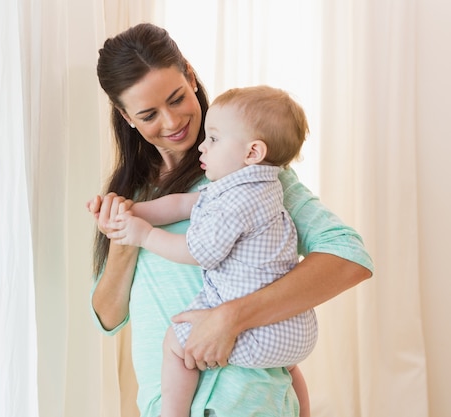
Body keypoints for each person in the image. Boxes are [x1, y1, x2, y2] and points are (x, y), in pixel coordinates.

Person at [88, 22, 373, 417]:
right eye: (149, 113)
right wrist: (124, 236)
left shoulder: (244, 175)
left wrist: (231, 318)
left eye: (176, 98)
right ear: (126, 115)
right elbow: (108, 317)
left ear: (190, 75)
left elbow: (349, 258)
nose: (171, 122)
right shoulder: (132, 197)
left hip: (246, 402)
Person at [105, 85, 317, 417]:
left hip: (261, 329)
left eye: (214, 139)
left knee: (176, 345)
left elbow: (200, 250)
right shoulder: (256, 188)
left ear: (252, 152)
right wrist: (132, 210)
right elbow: (181, 204)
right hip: (290, 331)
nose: (203, 145)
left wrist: (144, 236)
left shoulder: (236, 200)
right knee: (288, 368)